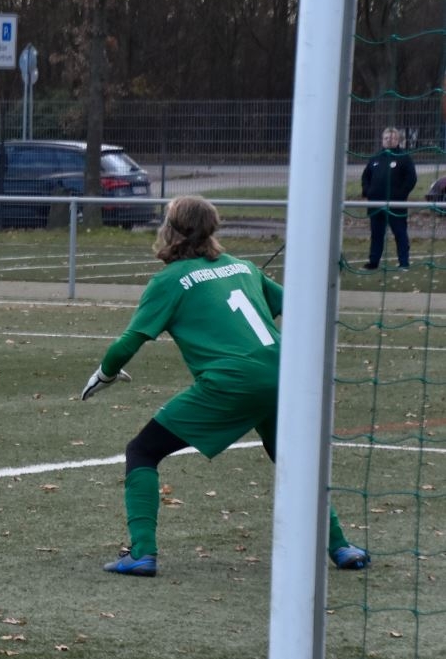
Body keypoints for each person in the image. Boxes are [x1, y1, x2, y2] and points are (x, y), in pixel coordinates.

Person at [80, 195, 370, 577]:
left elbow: (128, 342)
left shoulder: (168, 281)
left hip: (233, 382)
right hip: (284, 374)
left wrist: (105, 374)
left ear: (171, 230)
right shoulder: (243, 266)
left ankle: (142, 553)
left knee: (143, 450)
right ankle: (341, 546)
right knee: (293, 460)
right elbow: (299, 307)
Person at [360, 127, 417, 271]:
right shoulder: (375, 158)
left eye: (392, 138)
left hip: (395, 205)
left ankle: (403, 263)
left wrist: (400, 195)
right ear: (382, 140)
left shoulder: (404, 158)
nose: (388, 141)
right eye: (386, 138)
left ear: (397, 140)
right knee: (376, 234)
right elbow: (365, 177)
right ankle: (373, 262)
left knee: (400, 233)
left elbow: (411, 179)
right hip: (376, 204)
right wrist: (368, 191)